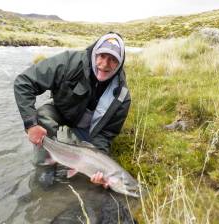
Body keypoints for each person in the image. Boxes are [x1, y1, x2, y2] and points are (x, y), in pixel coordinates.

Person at [14, 32, 131, 188]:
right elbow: (24, 82)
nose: (105, 64)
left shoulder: (122, 96)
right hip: (62, 110)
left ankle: (70, 159)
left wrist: (100, 164)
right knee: (42, 116)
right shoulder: (69, 62)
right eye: (102, 56)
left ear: (120, 63)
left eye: (113, 59)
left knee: (97, 164)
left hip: (90, 128)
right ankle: (44, 169)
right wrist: (30, 124)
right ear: (94, 53)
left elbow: (106, 134)